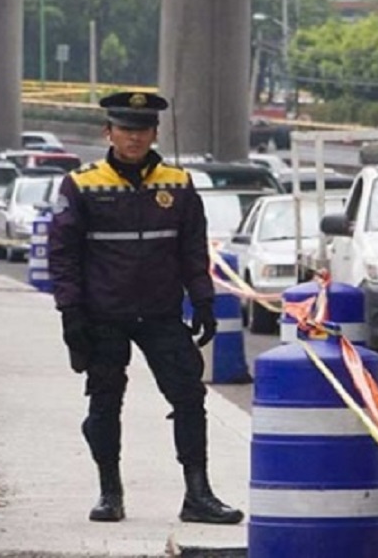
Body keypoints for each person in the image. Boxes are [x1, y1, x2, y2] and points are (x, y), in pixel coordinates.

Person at [48, 91, 243, 526]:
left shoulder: (178, 183)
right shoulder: (81, 184)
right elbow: (63, 255)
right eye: (125, 129)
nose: (133, 138)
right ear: (109, 132)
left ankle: (198, 494)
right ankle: (109, 493)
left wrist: (205, 301)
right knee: (104, 405)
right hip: (103, 317)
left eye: (142, 130)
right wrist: (71, 313)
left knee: (189, 399)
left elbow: (193, 250)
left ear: (155, 133)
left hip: (161, 315)